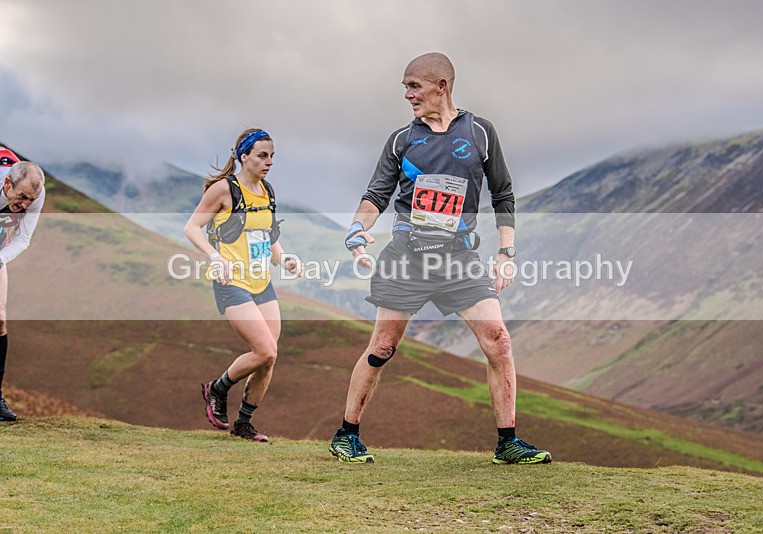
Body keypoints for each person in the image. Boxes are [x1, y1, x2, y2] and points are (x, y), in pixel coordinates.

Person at [328, 53, 551, 464]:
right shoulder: (401, 140)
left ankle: (508, 442)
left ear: (441, 86)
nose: (408, 95)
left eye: (414, 86)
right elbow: (376, 193)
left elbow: (502, 194)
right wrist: (357, 229)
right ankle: (347, 434)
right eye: (405, 88)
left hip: (460, 258)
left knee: (498, 342)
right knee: (383, 346)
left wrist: (506, 253)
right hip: (407, 258)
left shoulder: (481, 132)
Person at [184, 129, 302, 442]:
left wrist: (285, 260)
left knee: (270, 356)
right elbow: (191, 227)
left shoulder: (268, 192)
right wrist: (214, 257)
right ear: (244, 156)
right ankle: (216, 389)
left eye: (273, 155)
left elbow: (268, 238)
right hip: (231, 281)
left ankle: (244, 424)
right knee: (263, 349)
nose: (269, 162)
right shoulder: (225, 190)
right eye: (263, 155)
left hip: (261, 283)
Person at [0, 148, 46, 422]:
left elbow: (23, 239)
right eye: (22, 197)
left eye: (32, 199)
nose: (27, 205)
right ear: (8, 184)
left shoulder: (35, 195)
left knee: (0, 322)